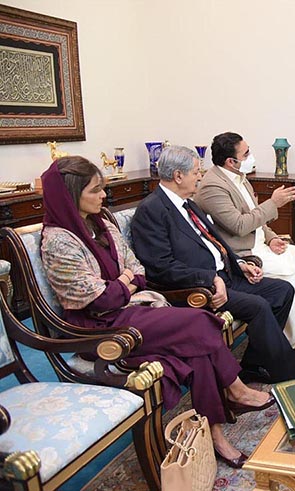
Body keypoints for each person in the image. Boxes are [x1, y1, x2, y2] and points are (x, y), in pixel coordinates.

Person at [39, 156, 273, 468]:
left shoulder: (103, 223)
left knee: (197, 351)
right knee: (203, 323)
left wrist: (122, 283)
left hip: (129, 310)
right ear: (70, 196)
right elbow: (101, 300)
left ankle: (214, 433)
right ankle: (235, 389)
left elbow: (137, 269)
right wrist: (125, 282)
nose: (103, 196)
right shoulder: (57, 241)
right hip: (98, 328)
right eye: (95, 191)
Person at [130, 145, 295, 386]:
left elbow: (215, 242)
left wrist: (240, 264)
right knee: (259, 306)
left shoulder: (188, 204)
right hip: (197, 288)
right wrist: (210, 279)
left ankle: (253, 365)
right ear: (178, 176)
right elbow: (160, 267)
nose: (200, 176)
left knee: (283, 290)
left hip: (224, 276)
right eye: (196, 172)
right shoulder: (151, 210)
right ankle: (291, 378)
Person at [194, 132, 295, 361]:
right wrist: (274, 203)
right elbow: (239, 225)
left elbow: (256, 217)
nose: (251, 156)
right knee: (290, 275)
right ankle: (293, 342)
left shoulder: (239, 175)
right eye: (246, 153)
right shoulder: (212, 186)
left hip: (260, 244)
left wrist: (271, 237)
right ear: (230, 161)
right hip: (243, 252)